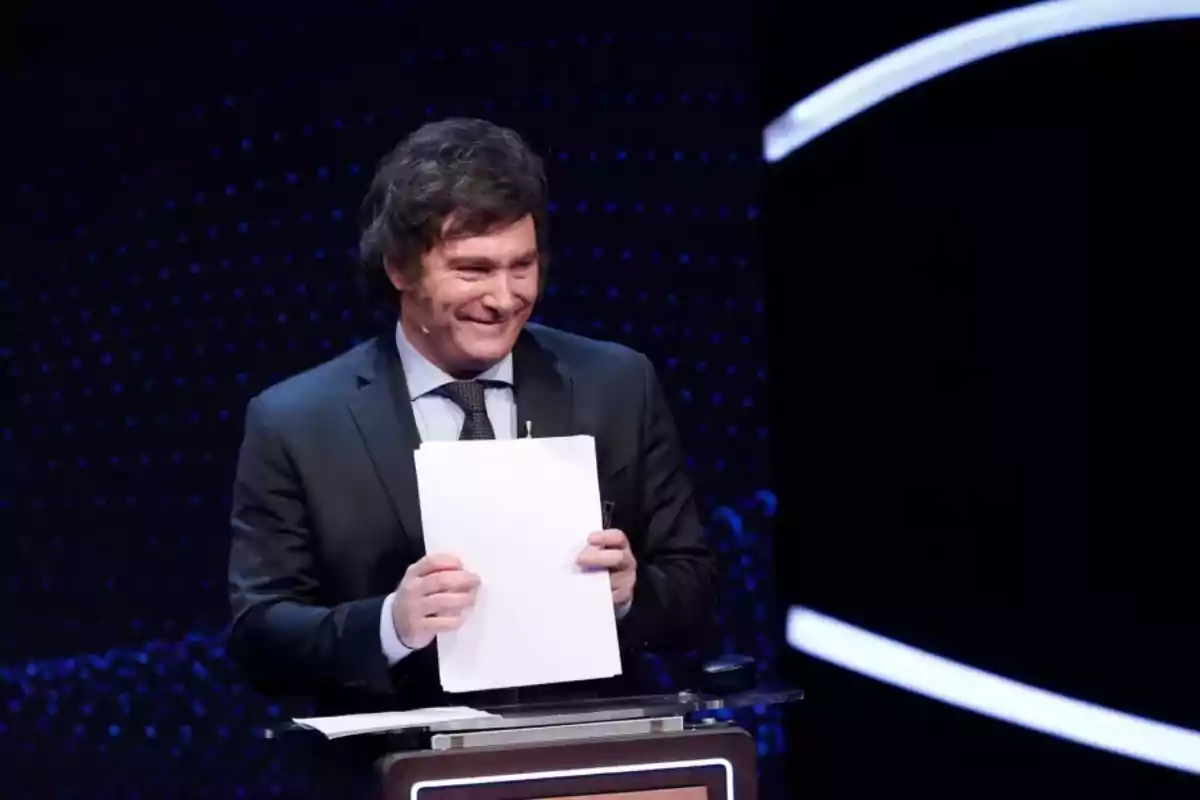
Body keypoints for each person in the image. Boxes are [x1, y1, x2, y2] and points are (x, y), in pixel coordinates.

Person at [227, 117, 718, 719]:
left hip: (583, 753)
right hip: (397, 767)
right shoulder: (297, 422)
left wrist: (628, 594)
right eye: (474, 270)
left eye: (522, 266)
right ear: (400, 268)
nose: (506, 297)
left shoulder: (616, 384)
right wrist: (391, 624)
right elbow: (259, 635)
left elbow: (694, 585)